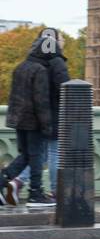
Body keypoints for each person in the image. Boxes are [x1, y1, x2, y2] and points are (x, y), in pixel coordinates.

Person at [1, 30, 57, 207]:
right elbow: (41, 101)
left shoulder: (21, 67)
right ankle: (35, 193)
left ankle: (3, 181)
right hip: (33, 122)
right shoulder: (40, 70)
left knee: (26, 155)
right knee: (37, 157)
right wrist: (47, 125)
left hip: (19, 120)